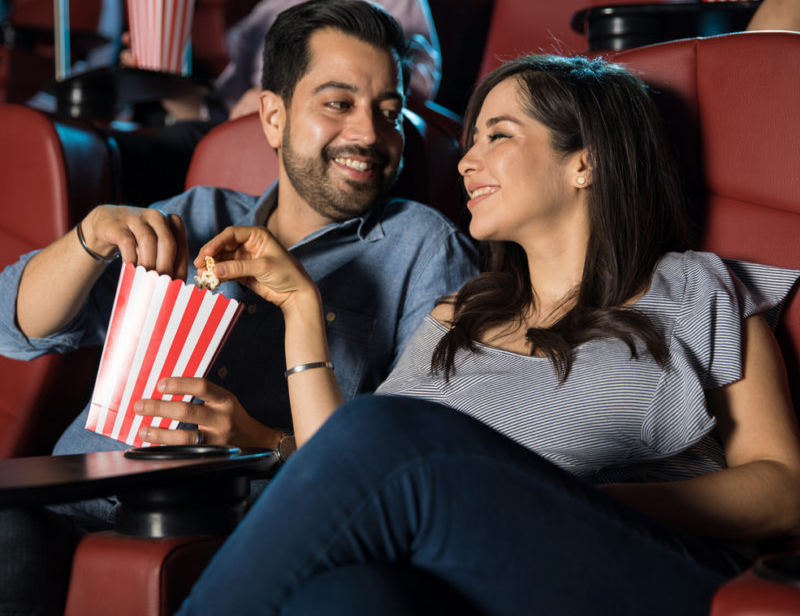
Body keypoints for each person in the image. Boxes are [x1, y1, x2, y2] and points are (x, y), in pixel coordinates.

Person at [172, 54, 800, 615]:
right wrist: (300, 306)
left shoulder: (691, 285)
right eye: (470, 142)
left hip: (653, 571)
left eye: (498, 136)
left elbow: (783, 488)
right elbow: (348, 462)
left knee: (379, 433)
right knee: (341, 598)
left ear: (585, 161)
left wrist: (562, 499)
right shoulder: (461, 313)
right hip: (488, 575)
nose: (467, 162)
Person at [0, 0, 476, 616]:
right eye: (338, 104)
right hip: (73, 501)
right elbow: (15, 327)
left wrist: (264, 442)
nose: (368, 134)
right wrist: (86, 239)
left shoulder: (424, 247)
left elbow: (411, 467)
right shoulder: (200, 214)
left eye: (389, 113)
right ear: (273, 117)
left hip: (238, 523)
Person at [115, 0, 441, 206]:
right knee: (130, 148)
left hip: (318, 122)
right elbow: (221, 108)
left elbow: (415, 90)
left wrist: (307, 98)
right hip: (250, 122)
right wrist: (162, 81)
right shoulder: (268, 10)